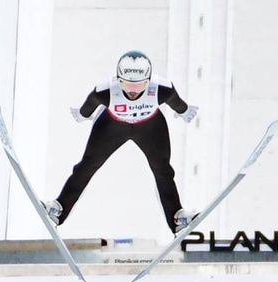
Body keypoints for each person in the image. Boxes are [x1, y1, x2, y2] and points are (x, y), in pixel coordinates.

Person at [44, 50, 198, 233]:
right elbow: (88, 106)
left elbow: (177, 102)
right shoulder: (105, 90)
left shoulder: (162, 88)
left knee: (163, 170)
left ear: (148, 81)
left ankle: (177, 218)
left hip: (149, 126)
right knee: (87, 165)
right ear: (118, 80)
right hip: (112, 125)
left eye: (139, 86)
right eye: (126, 84)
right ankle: (58, 209)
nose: (133, 91)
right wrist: (82, 114)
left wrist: (185, 111)